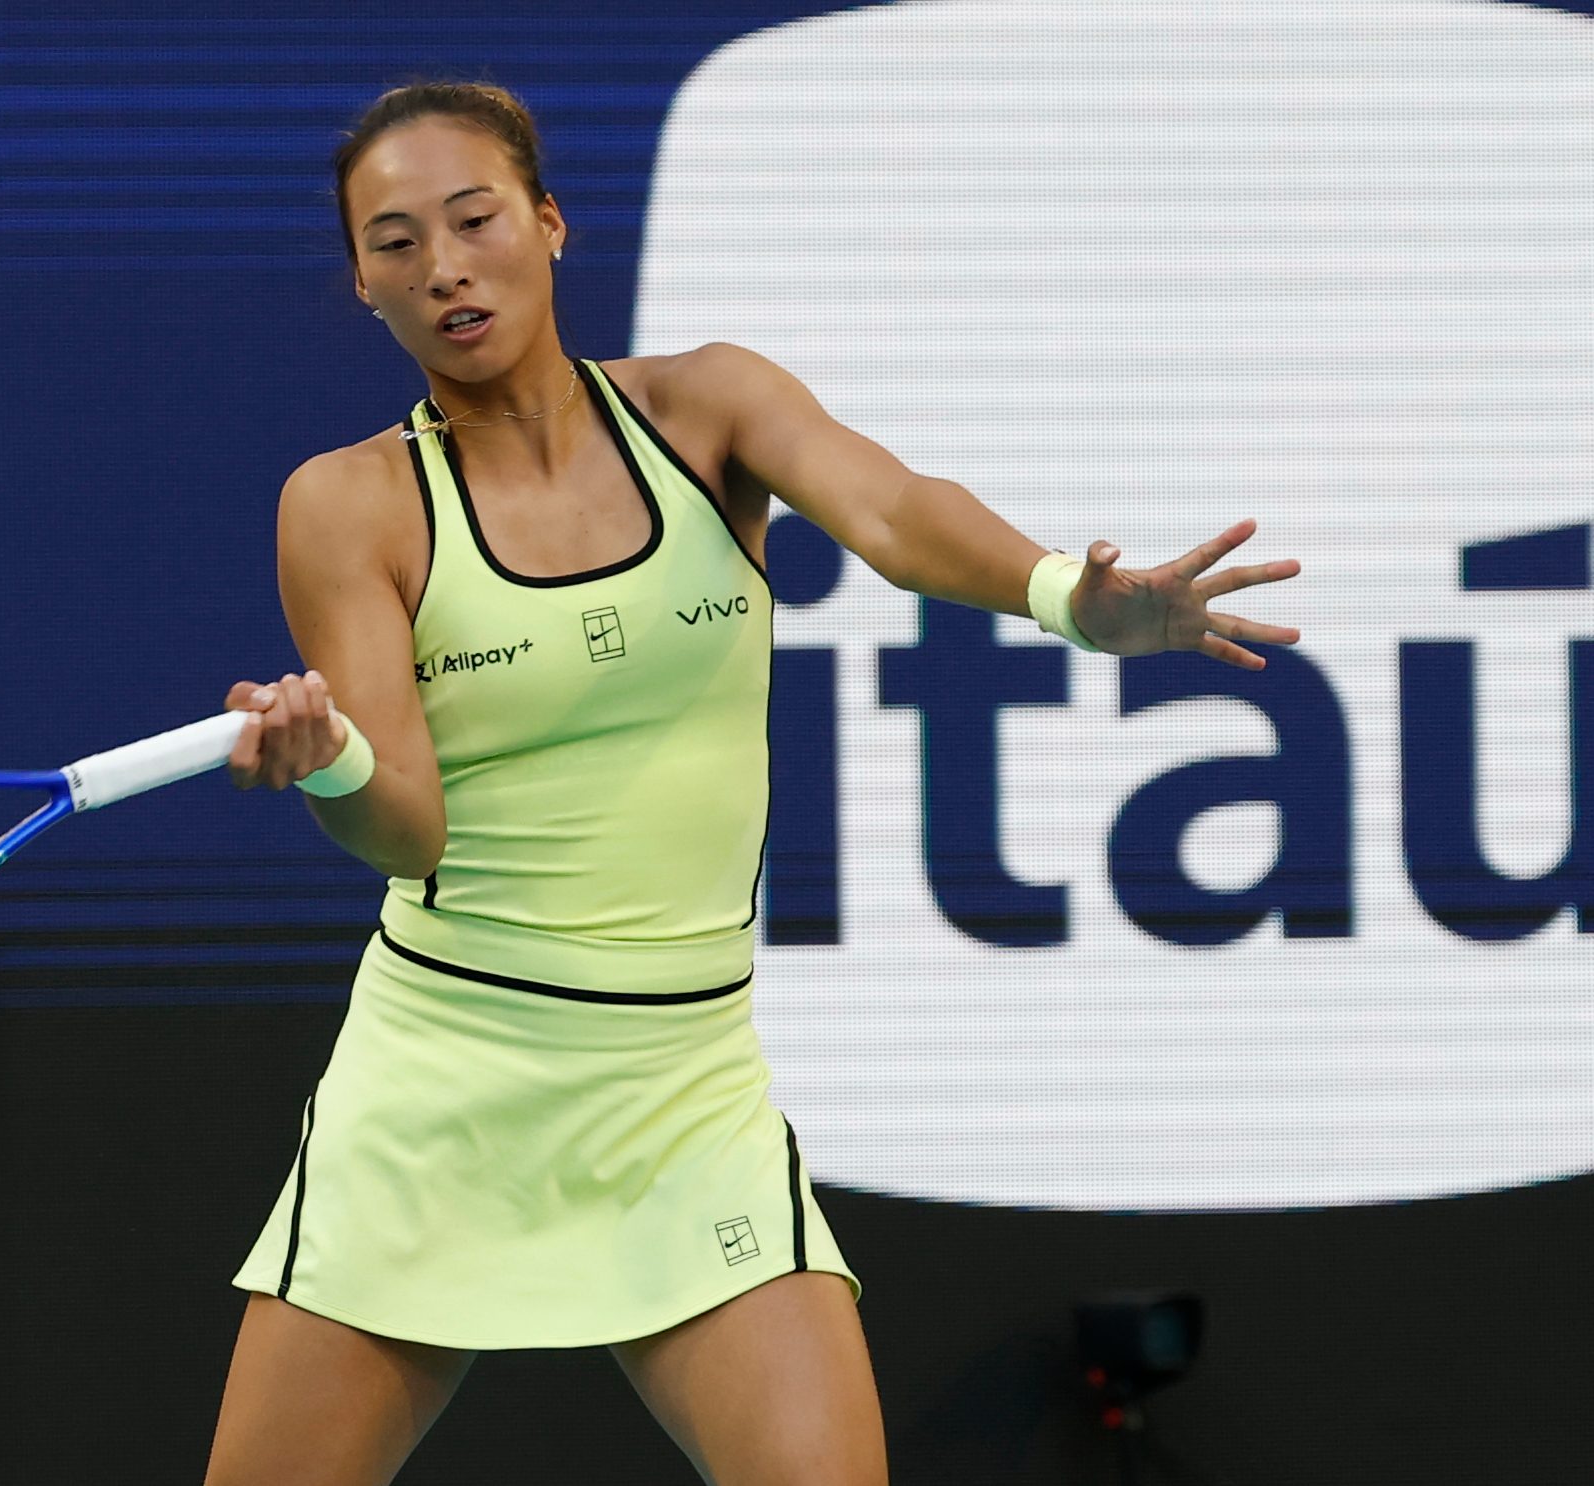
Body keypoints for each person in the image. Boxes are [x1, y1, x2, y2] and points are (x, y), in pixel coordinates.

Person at [202, 81, 1299, 1486]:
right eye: (396, 242)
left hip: (682, 1089)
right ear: (362, 282)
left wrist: (1062, 598)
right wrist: (331, 757)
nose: (443, 269)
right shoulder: (347, 503)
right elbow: (407, 824)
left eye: (473, 220)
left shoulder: (707, 406)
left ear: (545, 221)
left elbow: (893, 513)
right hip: (442, 1090)